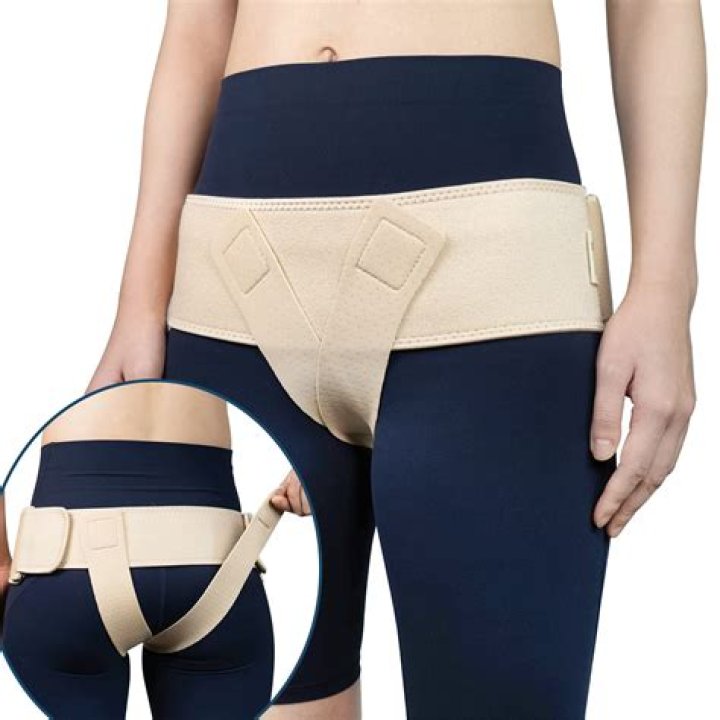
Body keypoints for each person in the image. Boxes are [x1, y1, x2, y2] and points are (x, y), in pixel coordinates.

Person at [3, 1, 705, 718]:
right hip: (231, 287)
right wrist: (139, 303)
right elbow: (198, 24)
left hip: (488, 286)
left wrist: (666, 286)